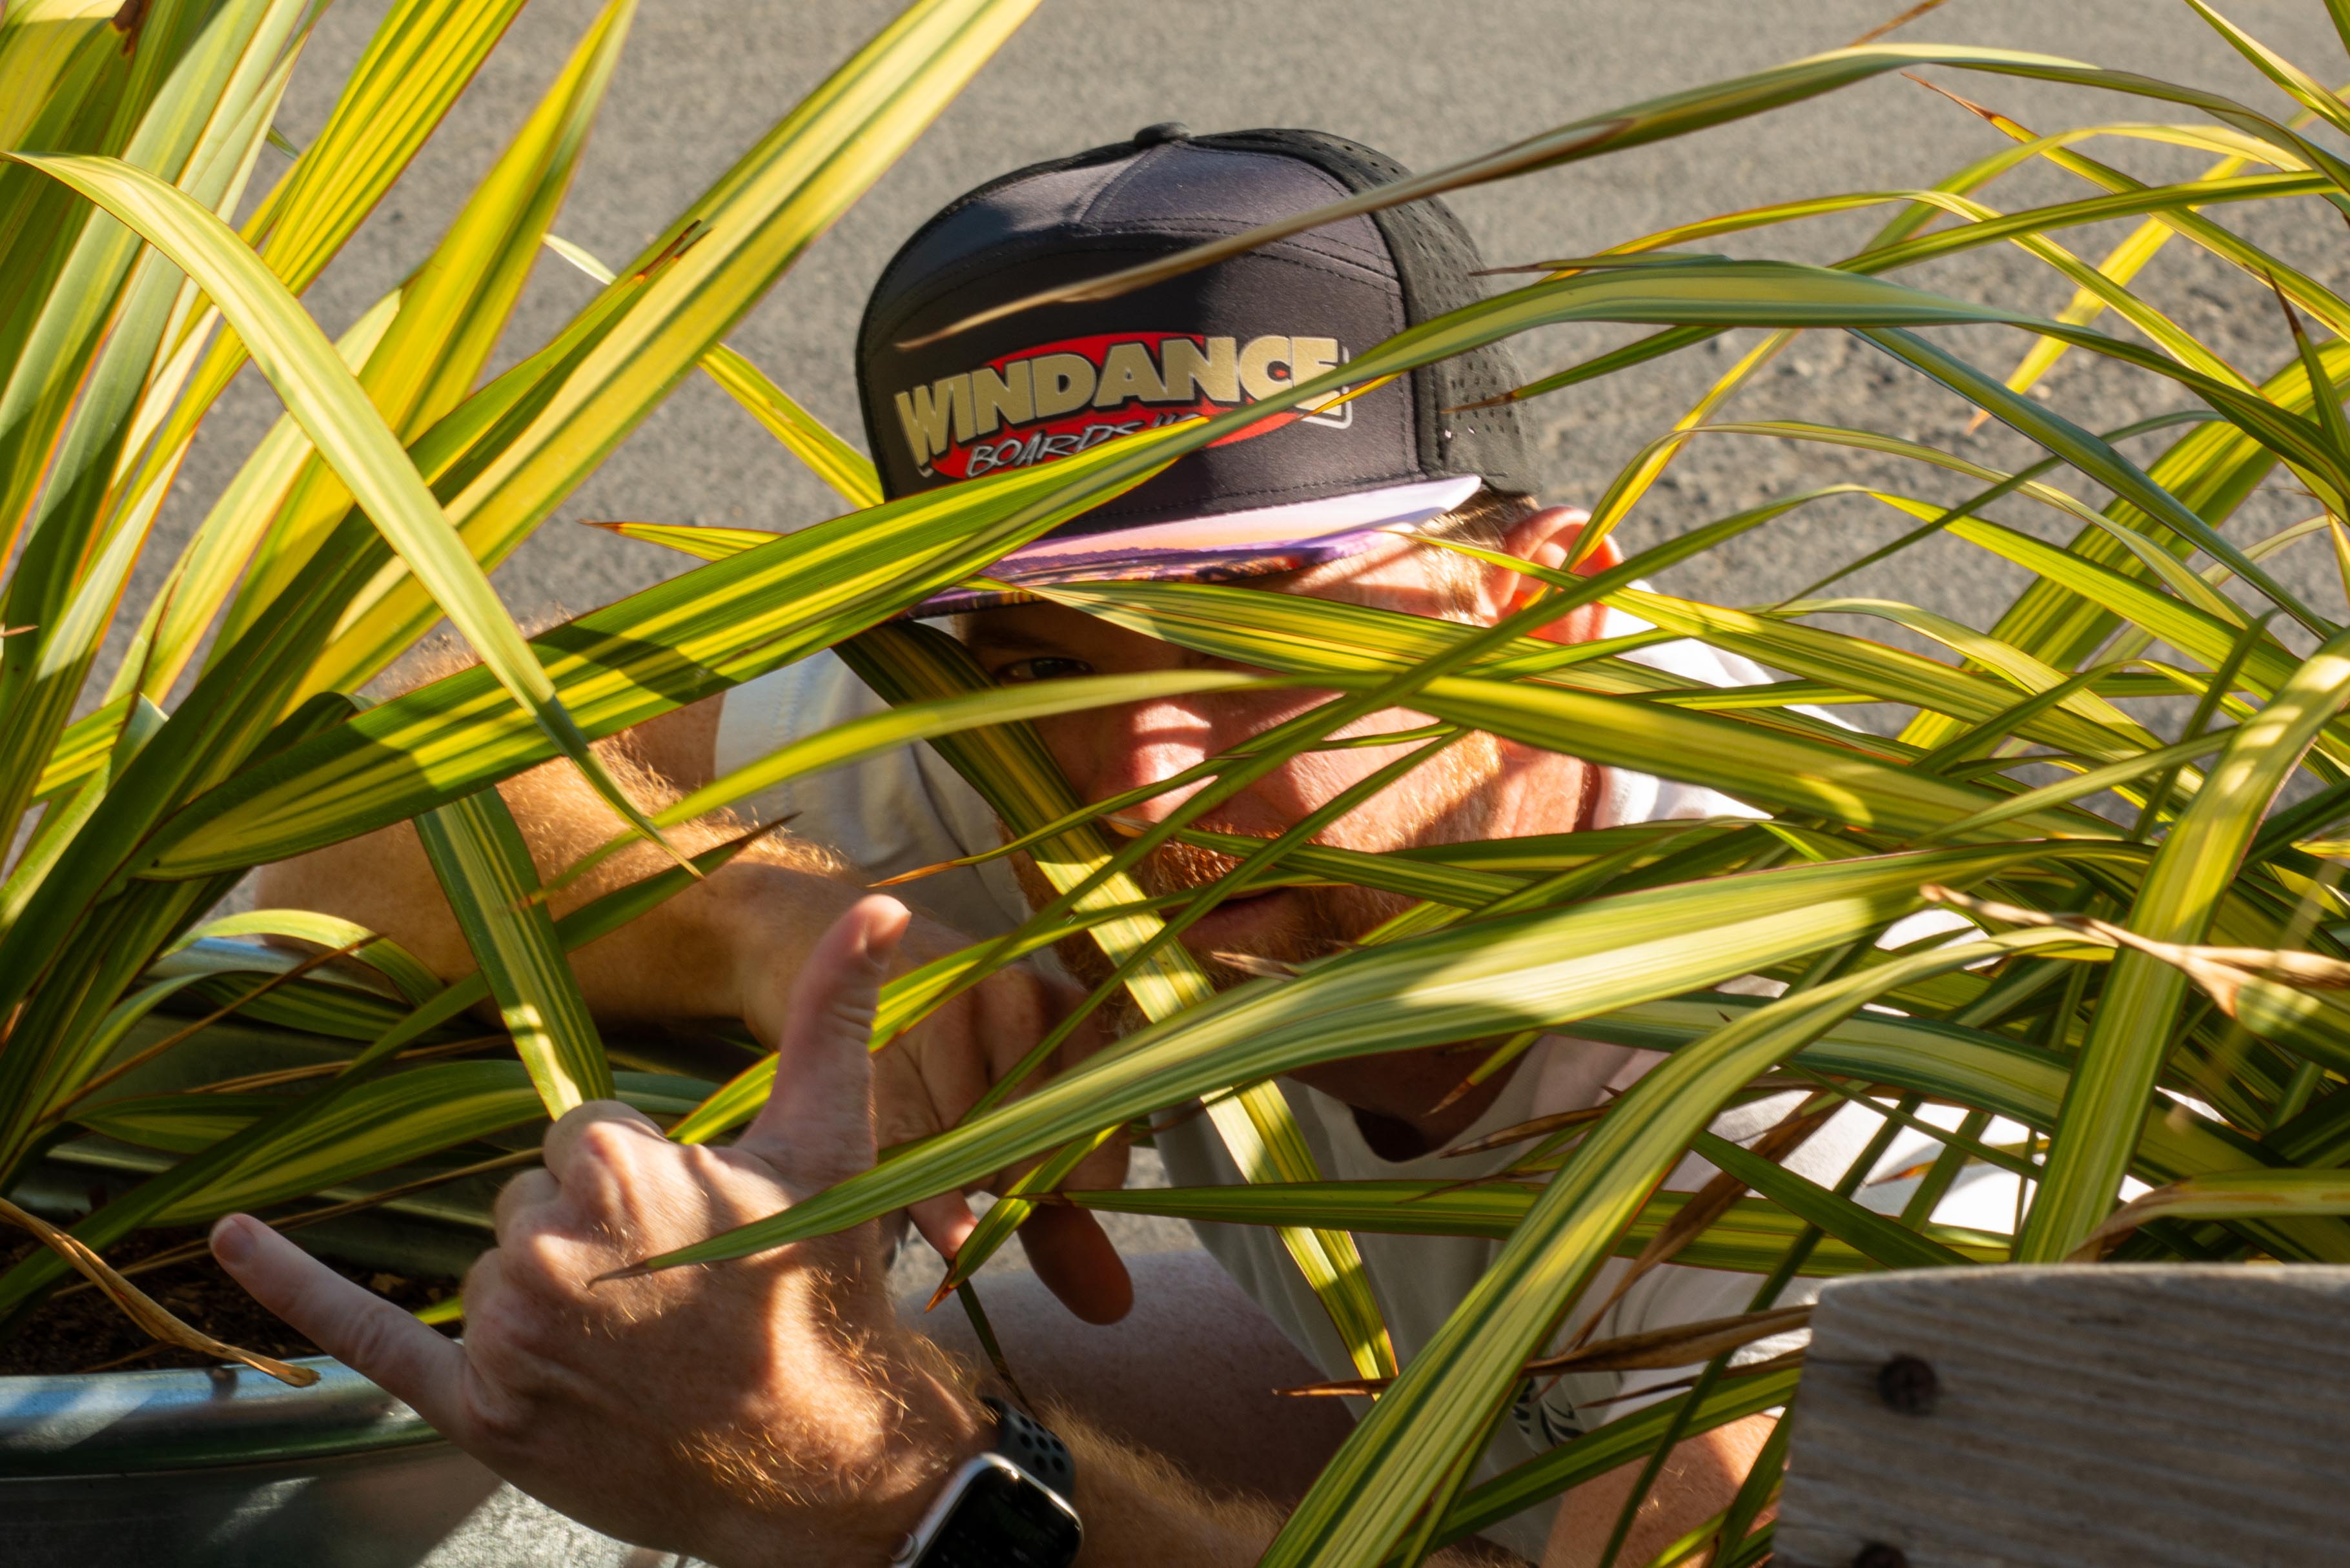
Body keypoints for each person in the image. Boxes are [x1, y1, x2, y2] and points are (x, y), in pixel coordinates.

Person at [212, 127, 1898, 1566]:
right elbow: (372, 804)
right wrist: (761, 916)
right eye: (1034, 662)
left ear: (1539, 599)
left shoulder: (1803, 1054)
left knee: (818, 1430)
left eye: (1260, 645)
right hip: (1465, 1408)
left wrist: (907, 1503)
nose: (1142, 795)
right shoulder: (1022, 755)